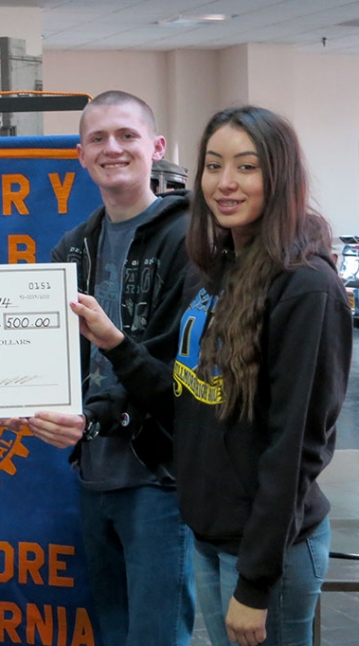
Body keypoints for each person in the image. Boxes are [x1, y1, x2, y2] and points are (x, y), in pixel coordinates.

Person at [72, 105, 352, 646]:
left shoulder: (306, 287)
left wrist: (255, 583)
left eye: (247, 167)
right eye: (214, 165)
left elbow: (295, 447)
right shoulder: (218, 271)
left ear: (280, 175)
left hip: (268, 553)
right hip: (211, 536)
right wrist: (116, 343)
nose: (226, 183)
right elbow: (188, 399)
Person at [0, 90, 196, 646]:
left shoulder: (191, 241)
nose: (113, 148)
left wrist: (95, 416)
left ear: (156, 148)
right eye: (97, 139)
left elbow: (176, 372)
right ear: (79, 156)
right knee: (112, 631)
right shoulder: (71, 249)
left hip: (161, 479)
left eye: (127, 135)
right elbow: (49, 360)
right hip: (94, 475)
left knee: (156, 636)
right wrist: (20, 401)